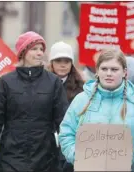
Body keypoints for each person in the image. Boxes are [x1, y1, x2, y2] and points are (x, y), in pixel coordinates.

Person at [58, 48, 134, 171]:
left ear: (124, 72)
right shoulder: (81, 100)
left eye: (114, 69)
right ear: (97, 71)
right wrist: (78, 156)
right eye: (104, 69)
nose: (109, 73)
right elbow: (66, 133)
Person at [0, 31, 69, 172]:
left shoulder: (53, 82)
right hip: (11, 156)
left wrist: (65, 154)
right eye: (34, 49)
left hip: (45, 157)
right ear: (23, 52)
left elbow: (64, 122)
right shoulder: (6, 82)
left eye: (41, 49)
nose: (40, 53)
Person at [48, 41, 85, 172]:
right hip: (46, 144)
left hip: (71, 145)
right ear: (51, 62)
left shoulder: (81, 88)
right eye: (58, 60)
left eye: (67, 61)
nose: (63, 65)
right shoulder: (41, 84)